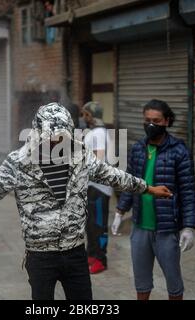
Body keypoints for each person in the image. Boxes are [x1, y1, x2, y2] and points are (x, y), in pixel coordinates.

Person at [0, 102, 172, 300]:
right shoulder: (18, 163)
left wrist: (148, 188)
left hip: (75, 253)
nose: (55, 142)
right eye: (49, 137)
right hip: (40, 257)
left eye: (60, 137)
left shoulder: (79, 155)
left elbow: (113, 175)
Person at [112, 99, 195, 300]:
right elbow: (129, 183)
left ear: (167, 121)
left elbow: (188, 190)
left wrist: (188, 226)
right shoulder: (138, 148)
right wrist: (119, 211)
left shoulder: (179, 150)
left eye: (156, 120)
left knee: (173, 283)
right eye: (147, 120)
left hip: (167, 228)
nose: (151, 125)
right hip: (140, 225)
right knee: (141, 282)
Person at [82, 101, 113, 274]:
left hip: (99, 187)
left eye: (85, 114)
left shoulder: (99, 133)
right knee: (90, 225)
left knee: (99, 225)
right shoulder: (94, 132)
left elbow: (99, 159)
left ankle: (101, 260)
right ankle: (91, 255)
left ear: (92, 115)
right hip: (90, 185)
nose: (83, 117)